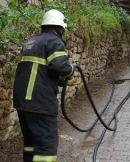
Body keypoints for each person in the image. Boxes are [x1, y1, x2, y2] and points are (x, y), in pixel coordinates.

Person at [13, 9, 80, 162]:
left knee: (31, 144)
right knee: (46, 147)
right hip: (40, 103)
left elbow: (39, 71)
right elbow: (60, 66)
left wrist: (62, 82)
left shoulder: (31, 42)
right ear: (59, 28)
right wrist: (70, 72)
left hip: (23, 102)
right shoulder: (54, 41)